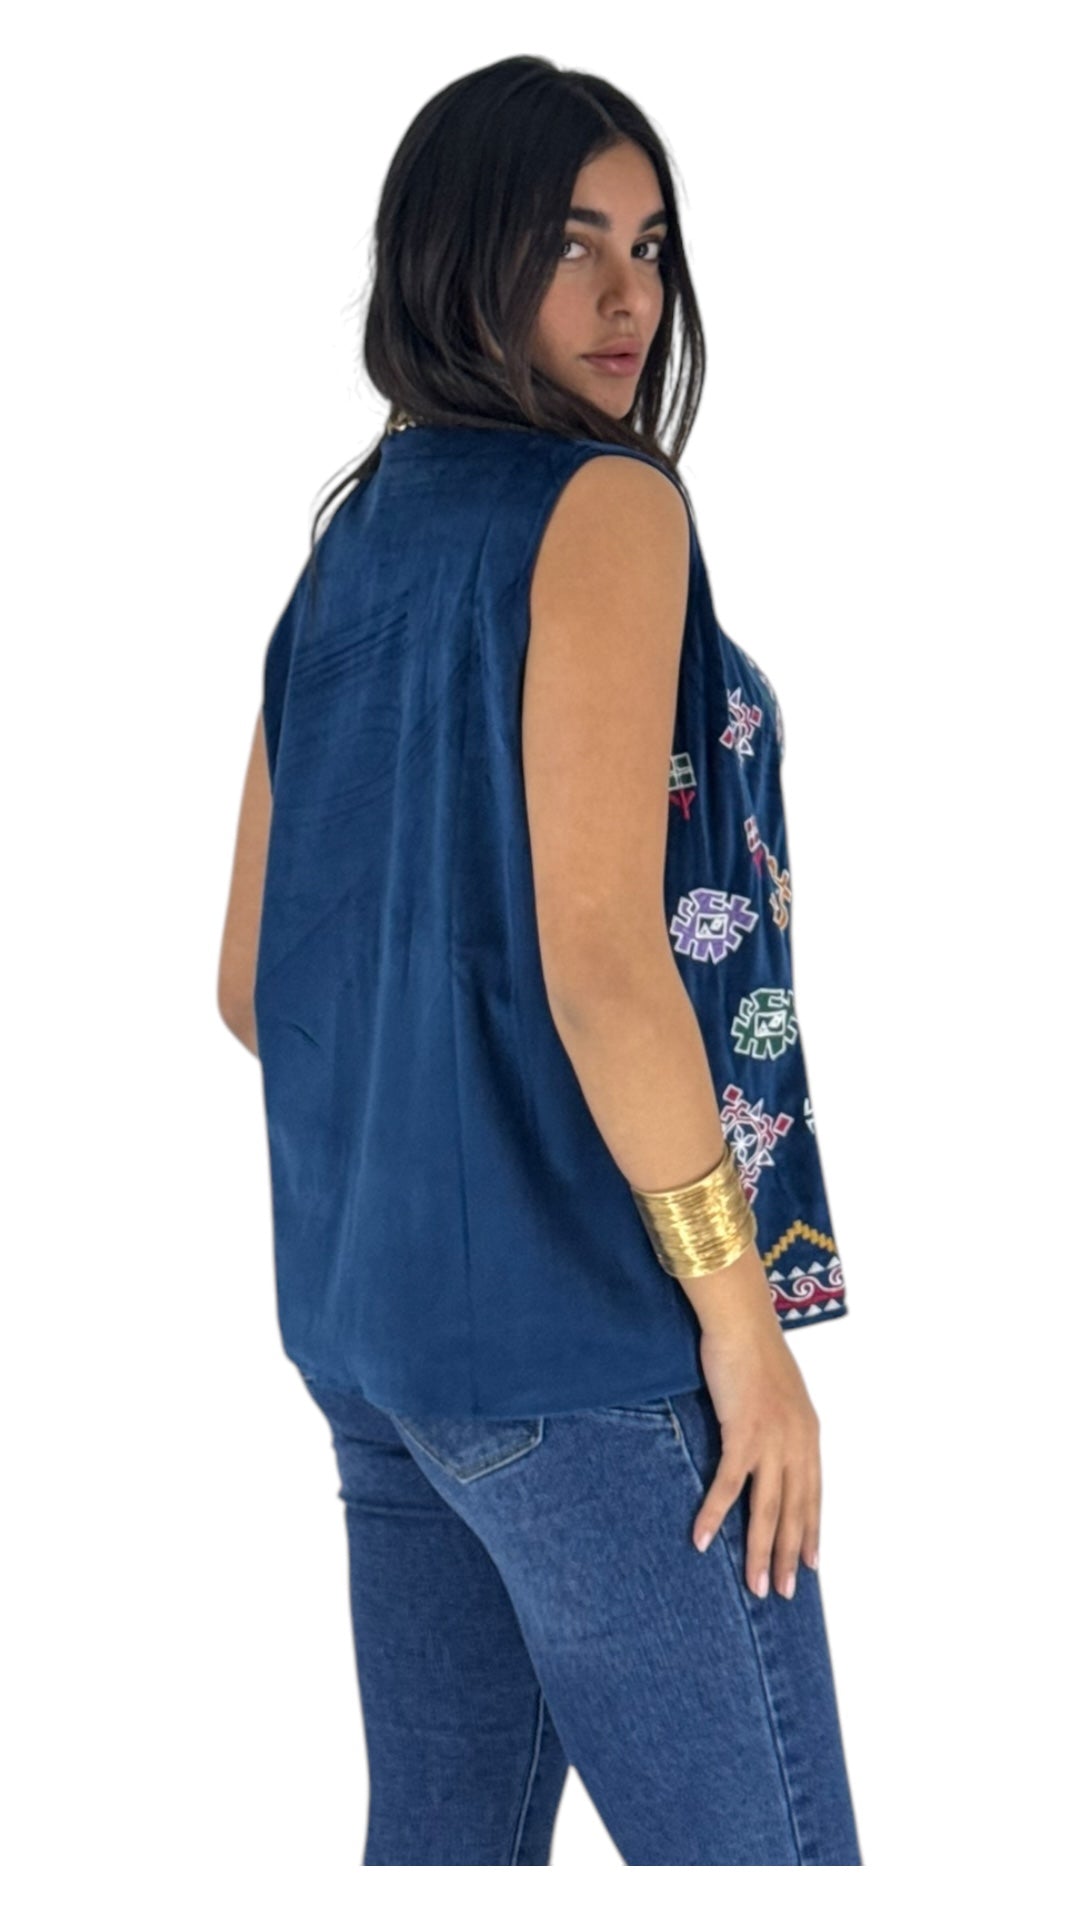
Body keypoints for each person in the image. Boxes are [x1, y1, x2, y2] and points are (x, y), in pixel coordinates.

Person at [217, 55, 863, 1867]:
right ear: (457, 255)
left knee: (443, 1863)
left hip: (381, 1353)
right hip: (588, 1351)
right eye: (570, 243)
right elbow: (602, 960)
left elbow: (255, 980)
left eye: (648, 246)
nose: (625, 295)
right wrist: (741, 1327)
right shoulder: (610, 507)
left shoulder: (349, 550)